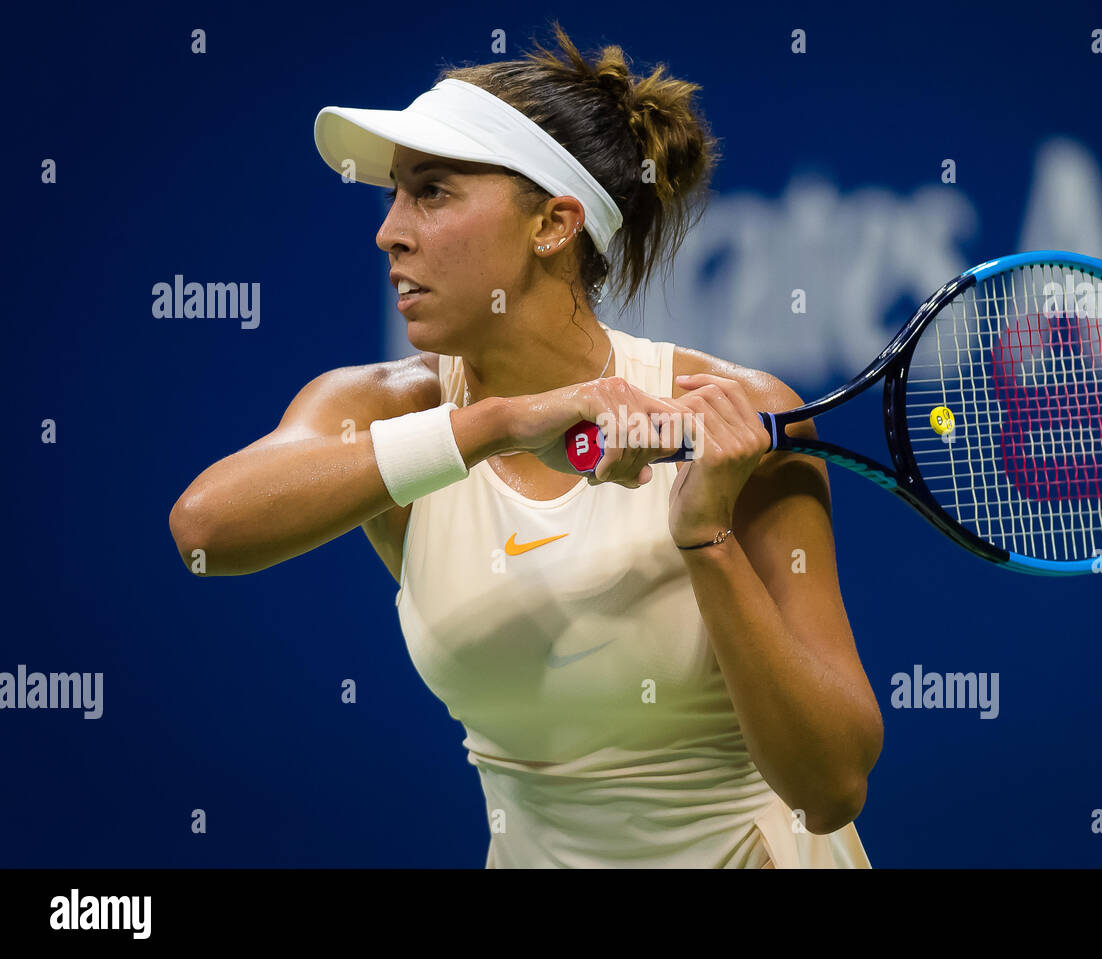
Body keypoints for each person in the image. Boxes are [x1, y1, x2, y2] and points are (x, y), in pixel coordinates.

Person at [169, 22, 882, 867]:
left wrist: (706, 535)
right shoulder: (384, 413)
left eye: (431, 192)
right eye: (395, 194)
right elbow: (205, 531)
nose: (389, 231)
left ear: (553, 223)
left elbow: (831, 785)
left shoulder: (740, 414)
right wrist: (497, 424)